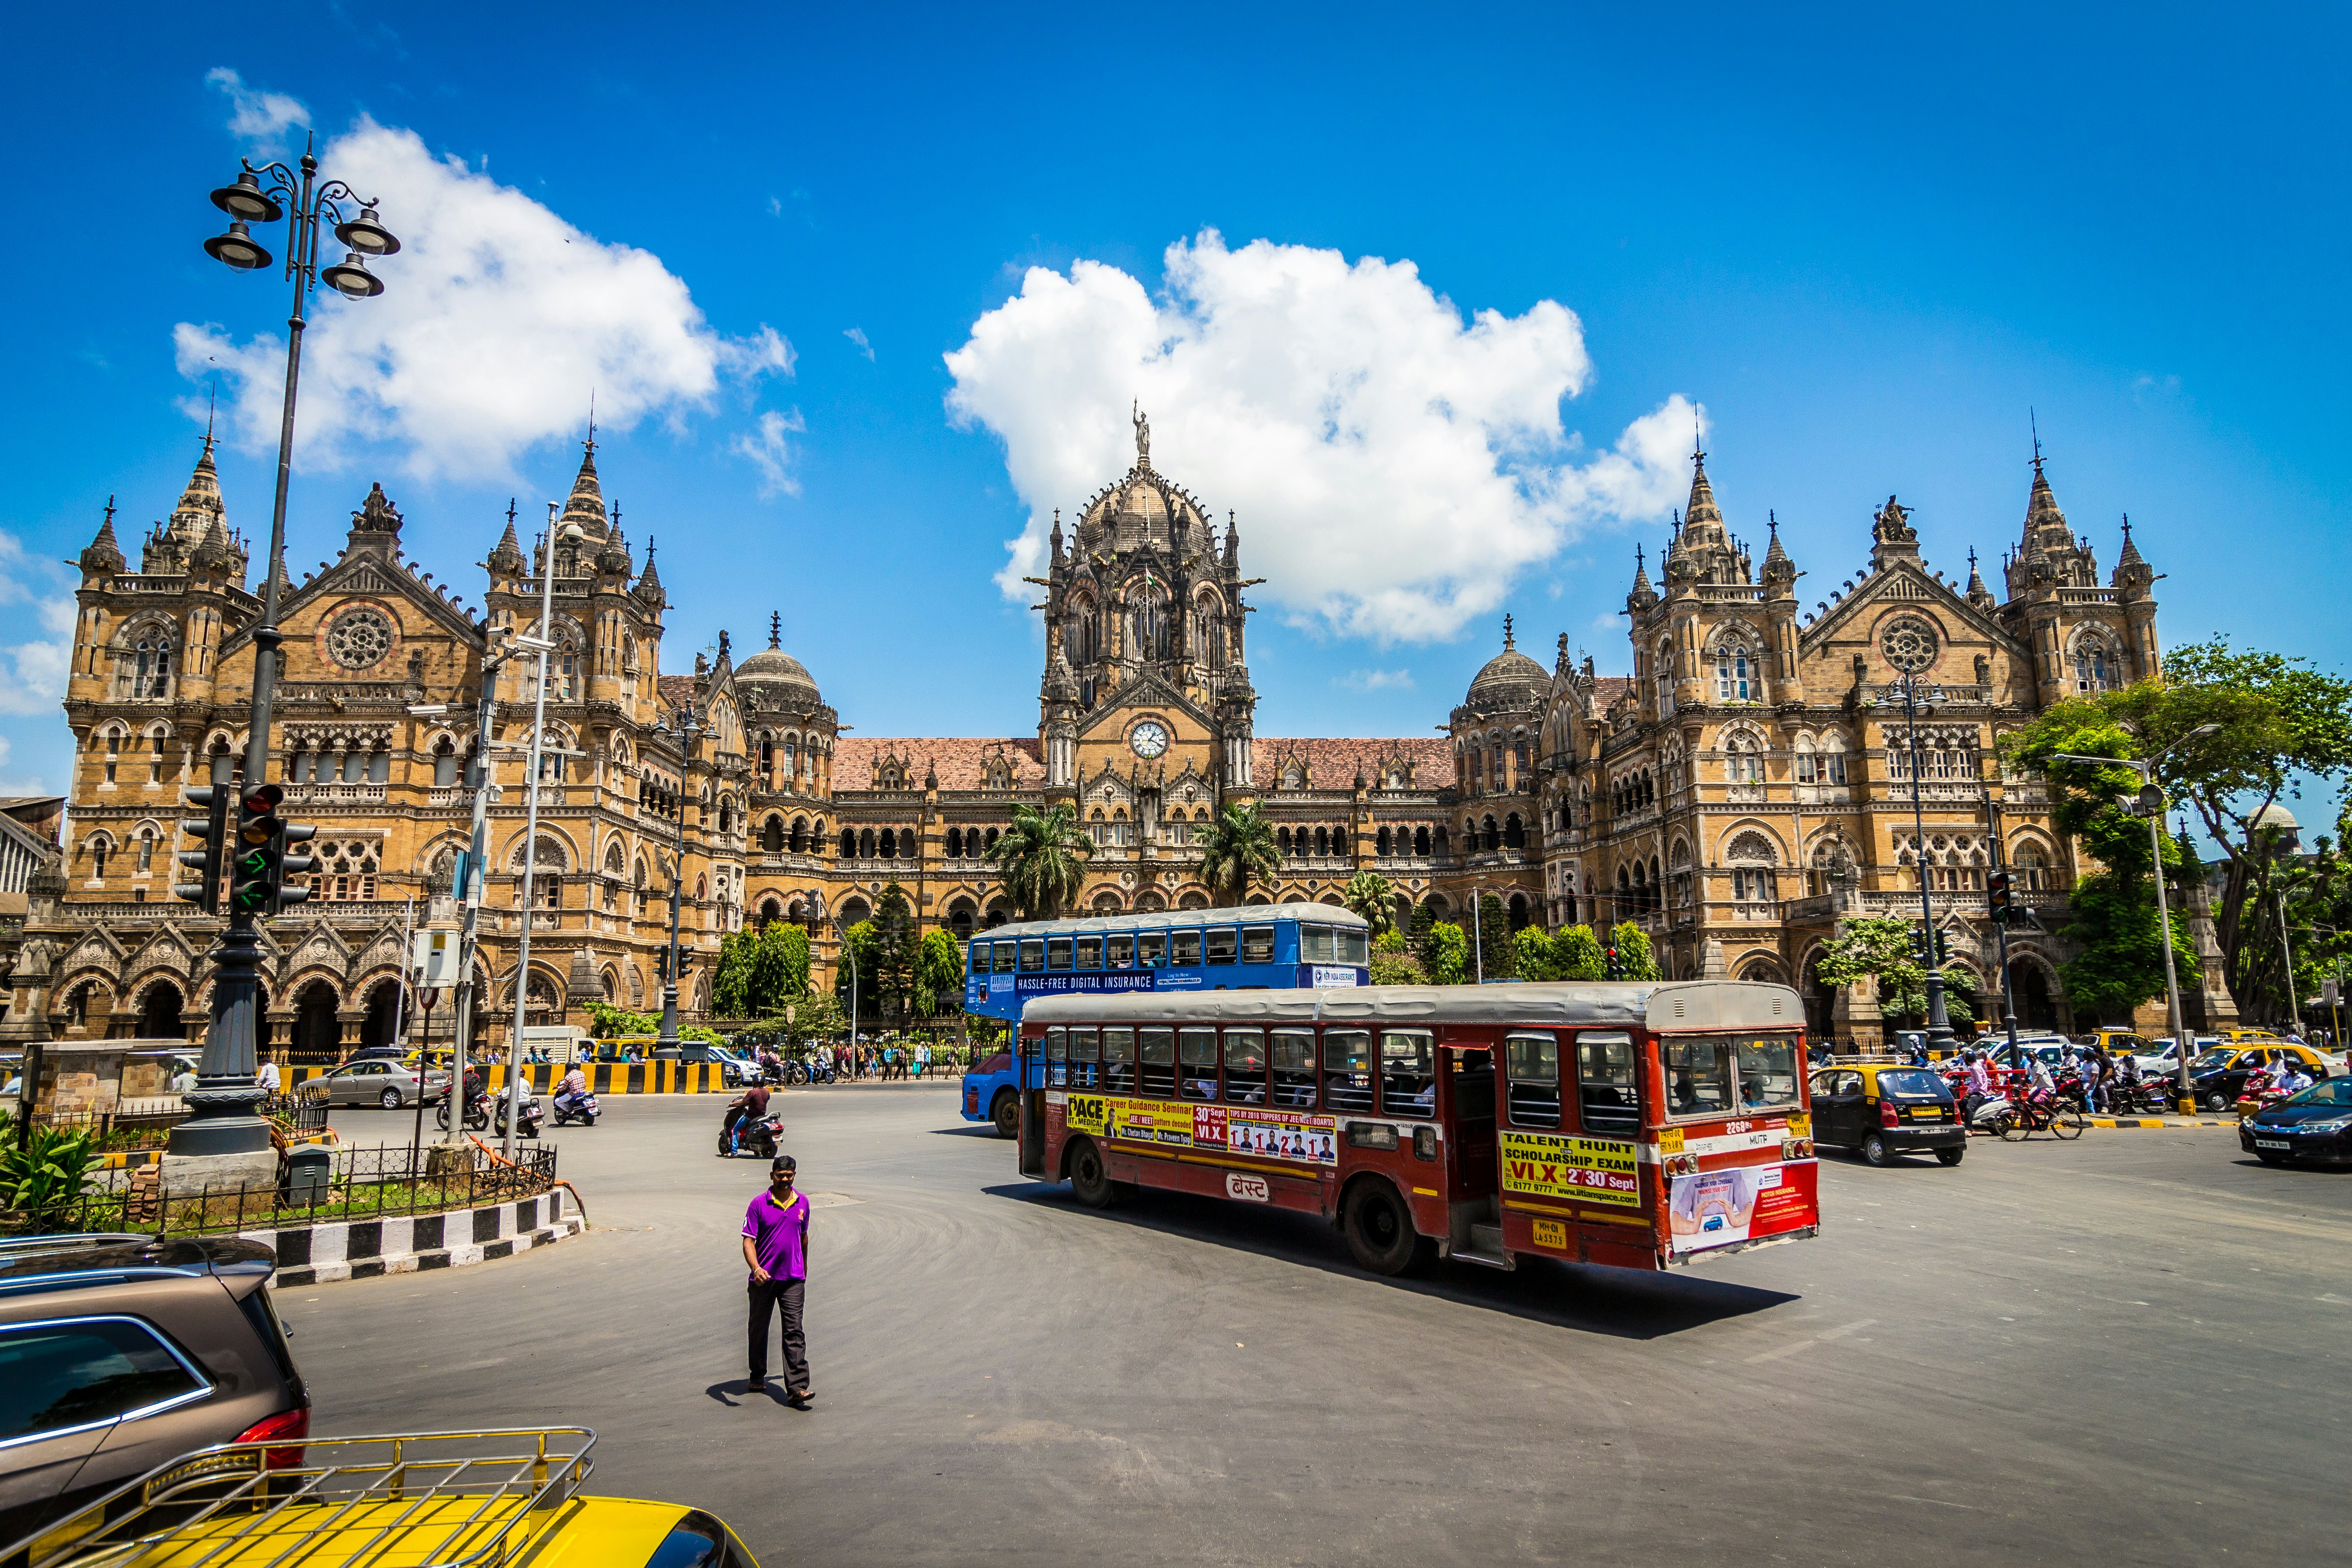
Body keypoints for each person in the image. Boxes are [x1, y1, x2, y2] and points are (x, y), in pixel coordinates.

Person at [741, 1154, 811, 1405]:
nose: (785, 1179)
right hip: (763, 1279)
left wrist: (803, 1269)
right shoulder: (758, 1204)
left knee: (794, 1331)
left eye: (789, 1175)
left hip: (793, 1279)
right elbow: (748, 1240)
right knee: (758, 1329)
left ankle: (797, 1388)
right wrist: (756, 1268)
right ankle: (757, 1374)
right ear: (772, 1176)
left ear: (794, 1175)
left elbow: (803, 1237)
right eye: (780, 1175)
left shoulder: (803, 1202)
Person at [723, 1081, 772, 1155]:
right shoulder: (767, 1092)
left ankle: (734, 1151)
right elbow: (762, 1101)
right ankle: (756, 1150)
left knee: (736, 1129)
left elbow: (741, 1103)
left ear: (755, 1082)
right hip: (762, 1116)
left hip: (750, 1116)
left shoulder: (752, 1092)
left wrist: (732, 1104)